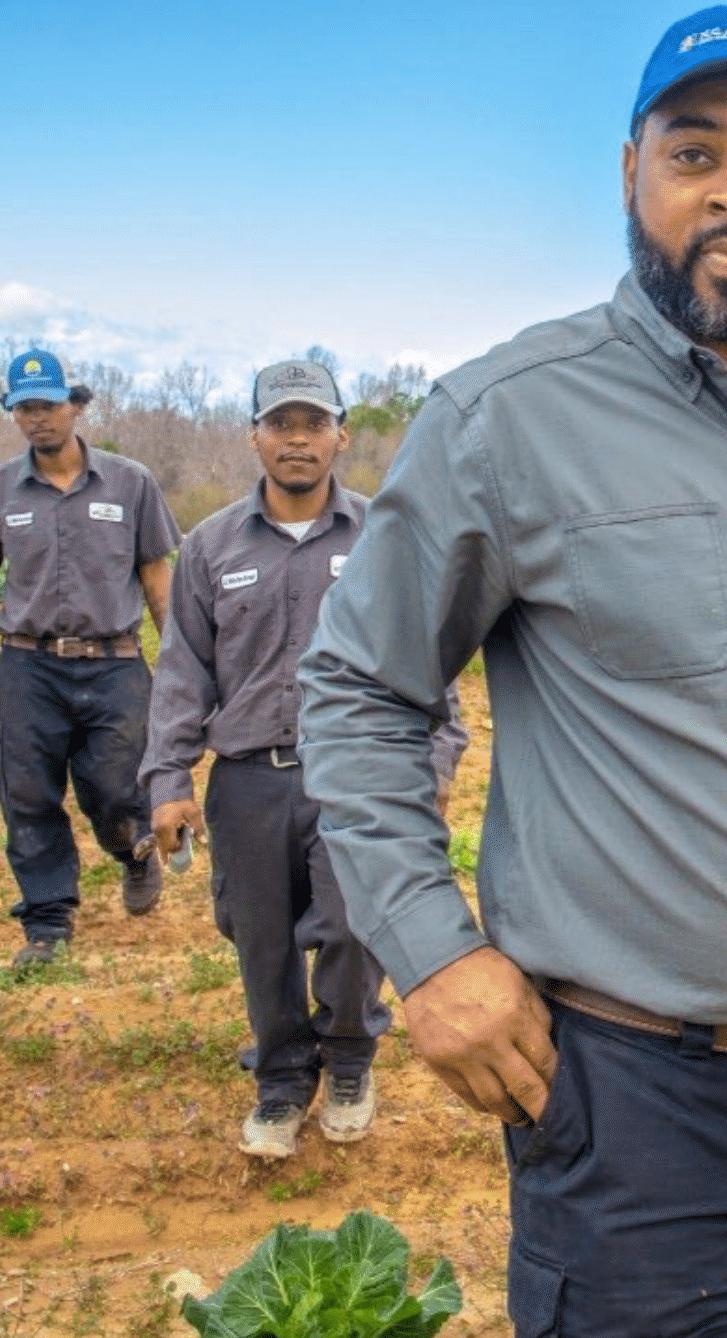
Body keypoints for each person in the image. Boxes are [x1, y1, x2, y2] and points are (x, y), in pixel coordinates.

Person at [298, 0, 727, 1335]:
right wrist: (430, 957)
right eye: (692, 151)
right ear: (630, 171)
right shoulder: (505, 417)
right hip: (631, 1101)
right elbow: (360, 692)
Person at [140, 359, 468, 1159]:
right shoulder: (211, 546)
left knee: (358, 927)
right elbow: (185, 667)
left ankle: (351, 1058)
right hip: (251, 776)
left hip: (360, 773)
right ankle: (282, 1078)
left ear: (340, 435)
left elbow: (429, 664)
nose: (297, 438)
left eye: (313, 423)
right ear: (254, 436)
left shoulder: (385, 538)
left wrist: (431, 771)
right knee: (262, 938)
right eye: (281, 423)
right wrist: (169, 778)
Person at [0, 347, 181, 971]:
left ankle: (133, 852)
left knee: (117, 788)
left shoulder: (131, 482)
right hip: (28, 667)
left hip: (115, 663)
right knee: (27, 795)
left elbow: (157, 576)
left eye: (48, 405)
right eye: (24, 408)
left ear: (75, 405)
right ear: (13, 414)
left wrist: (183, 667)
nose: (37, 419)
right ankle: (48, 923)